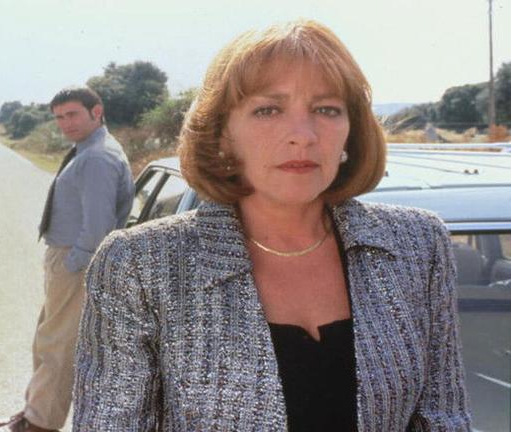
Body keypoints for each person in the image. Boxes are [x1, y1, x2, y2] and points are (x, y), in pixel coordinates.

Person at [73, 20, 470, 431]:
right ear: (222, 135)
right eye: (268, 110)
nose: (302, 135)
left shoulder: (418, 244)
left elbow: (444, 418)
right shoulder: (139, 264)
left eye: (326, 109)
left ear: (351, 133)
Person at [0, 87, 134, 432]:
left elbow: (98, 225)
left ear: (96, 111)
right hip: (68, 258)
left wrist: (73, 266)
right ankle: (34, 412)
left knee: (57, 345)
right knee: (49, 338)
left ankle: (40, 424)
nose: (65, 123)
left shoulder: (96, 157)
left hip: (77, 262)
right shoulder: (87, 150)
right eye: (59, 117)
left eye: (72, 114)